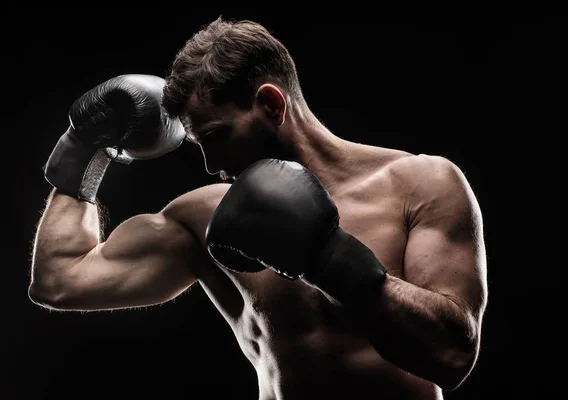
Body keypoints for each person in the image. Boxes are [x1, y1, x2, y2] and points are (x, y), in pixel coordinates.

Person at [29, 17, 488, 400]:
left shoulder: (421, 183)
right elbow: (59, 281)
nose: (210, 165)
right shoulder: (206, 217)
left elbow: (452, 356)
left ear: (270, 103)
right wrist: (84, 148)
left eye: (215, 136)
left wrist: (330, 258)